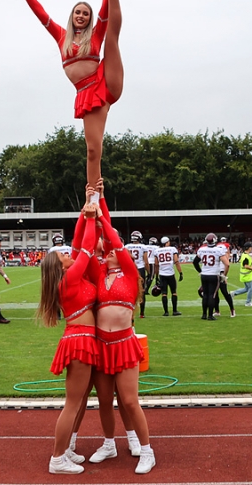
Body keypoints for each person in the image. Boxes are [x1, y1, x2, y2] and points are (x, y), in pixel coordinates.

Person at [9, 0, 124, 197]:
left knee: (111, 34)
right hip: (87, 95)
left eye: (85, 13)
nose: (81, 16)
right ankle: (94, 195)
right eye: (78, 12)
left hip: (105, 81)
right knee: (93, 150)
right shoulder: (62, 37)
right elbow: (41, 14)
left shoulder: (95, 34)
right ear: (72, 16)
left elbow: (105, 13)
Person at [90, 189, 156, 475]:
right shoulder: (100, 272)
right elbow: (91, 242)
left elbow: (112, 238)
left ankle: (147, 450)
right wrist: (91, 204)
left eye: (115, 248)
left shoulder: (129, 271)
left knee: (129, 400)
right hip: (101, 344)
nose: (113, 250)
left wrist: (102, 202)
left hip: (125, 343)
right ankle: (109, 443)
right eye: (109, 250)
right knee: (104, 400)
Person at [37, 201, 100, 475]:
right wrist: (92, 210)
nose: (67, 253)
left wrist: (83, 212)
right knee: (73, 402)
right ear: (60, 266)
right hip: (80, 340)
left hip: (82, 337)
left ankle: (67, 447)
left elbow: (77, 244)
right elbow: (85, 248)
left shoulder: (68, 275)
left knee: (82, 398)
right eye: (63, 254)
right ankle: (57, 458)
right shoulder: (70, 277)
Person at [193, 233, 231, 320]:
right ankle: (210, 315)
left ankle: (204, 314)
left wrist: (201, 271)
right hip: (214, 275)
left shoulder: (202, 249)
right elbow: (227, 264)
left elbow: (195, 262)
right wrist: (224, 275)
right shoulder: (218, 250)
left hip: (204, 275)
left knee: (205, 294)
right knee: (212, 295)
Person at [153, 236, 182, 316]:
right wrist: (180, 273)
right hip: (170, 274)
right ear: (167, 242)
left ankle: (166, 312)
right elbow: (176, 261)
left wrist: (156, 276)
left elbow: (156, 264)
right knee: (174, 292)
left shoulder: (157, 251)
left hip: (162, 274)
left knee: (164, 293)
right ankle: (174, 311)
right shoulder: (172, 249)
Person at [124, 230, 149, 318]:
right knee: (142, 291)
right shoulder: (143, 247)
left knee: (129, 291)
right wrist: (149, 272)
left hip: (130, 269)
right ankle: (142, 313)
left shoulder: (126, 246)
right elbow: (146, 261)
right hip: (140, 269)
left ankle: (130, 312)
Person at [231, 242, 252, 307]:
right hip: (247, 275)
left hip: (244, 275)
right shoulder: (246, 256)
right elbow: (246, 266)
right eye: (251, 247)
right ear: (248, 248)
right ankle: (248, 302)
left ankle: (233, 293)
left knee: (247, 289)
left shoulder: (244, 255)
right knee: (251, 288)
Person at [215, 236, 234, 317]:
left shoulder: (221, 249)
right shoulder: (223, 250)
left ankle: (232, 309)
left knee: (224, 292)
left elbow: (227, 264)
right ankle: (217, 311)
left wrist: (224, 276)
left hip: (220, 273)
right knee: (215, 293)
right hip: (216, 273)